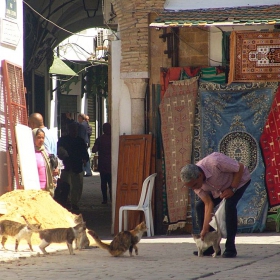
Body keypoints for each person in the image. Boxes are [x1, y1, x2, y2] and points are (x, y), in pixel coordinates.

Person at [180, 152, 251, 258]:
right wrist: (205, 229)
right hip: (219, 189)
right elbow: (208, 204)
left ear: (199, 176)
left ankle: (230, 248)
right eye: (191, 187)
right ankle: (209, 247)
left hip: (239, 181)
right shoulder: (195, 185)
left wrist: (232, 189)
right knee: (199, 206)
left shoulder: (214, 162)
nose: (195, 188)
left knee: (229, 206)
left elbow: (240, 167)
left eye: (195, 185)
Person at [57, 122, 89, 210]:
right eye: (72, 130)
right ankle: (66, 202)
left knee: (77, 187)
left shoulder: (80, 141)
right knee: (65, 186)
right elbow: (59, 151)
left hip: (77, 167)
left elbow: (85, 153)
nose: (74, 131)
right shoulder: (63, 140)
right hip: (66, 166)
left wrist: (85, 160)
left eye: (75, 130)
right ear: (69, 130)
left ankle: (74, 203)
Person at [92, 122, 111, 204]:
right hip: (111, 164)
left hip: (103, 163)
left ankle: (105, 199)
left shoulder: (100, 139)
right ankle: (112, 198)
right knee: (111, 183)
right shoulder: (113, 138)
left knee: (103, 182)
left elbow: (93, 150)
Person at [32, 128, 55, 197]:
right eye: (38, 137)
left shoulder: (45, 152)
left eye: (43, 138)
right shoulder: (29, 152)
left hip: (46, 187)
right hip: (34, 187)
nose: (41, 140)